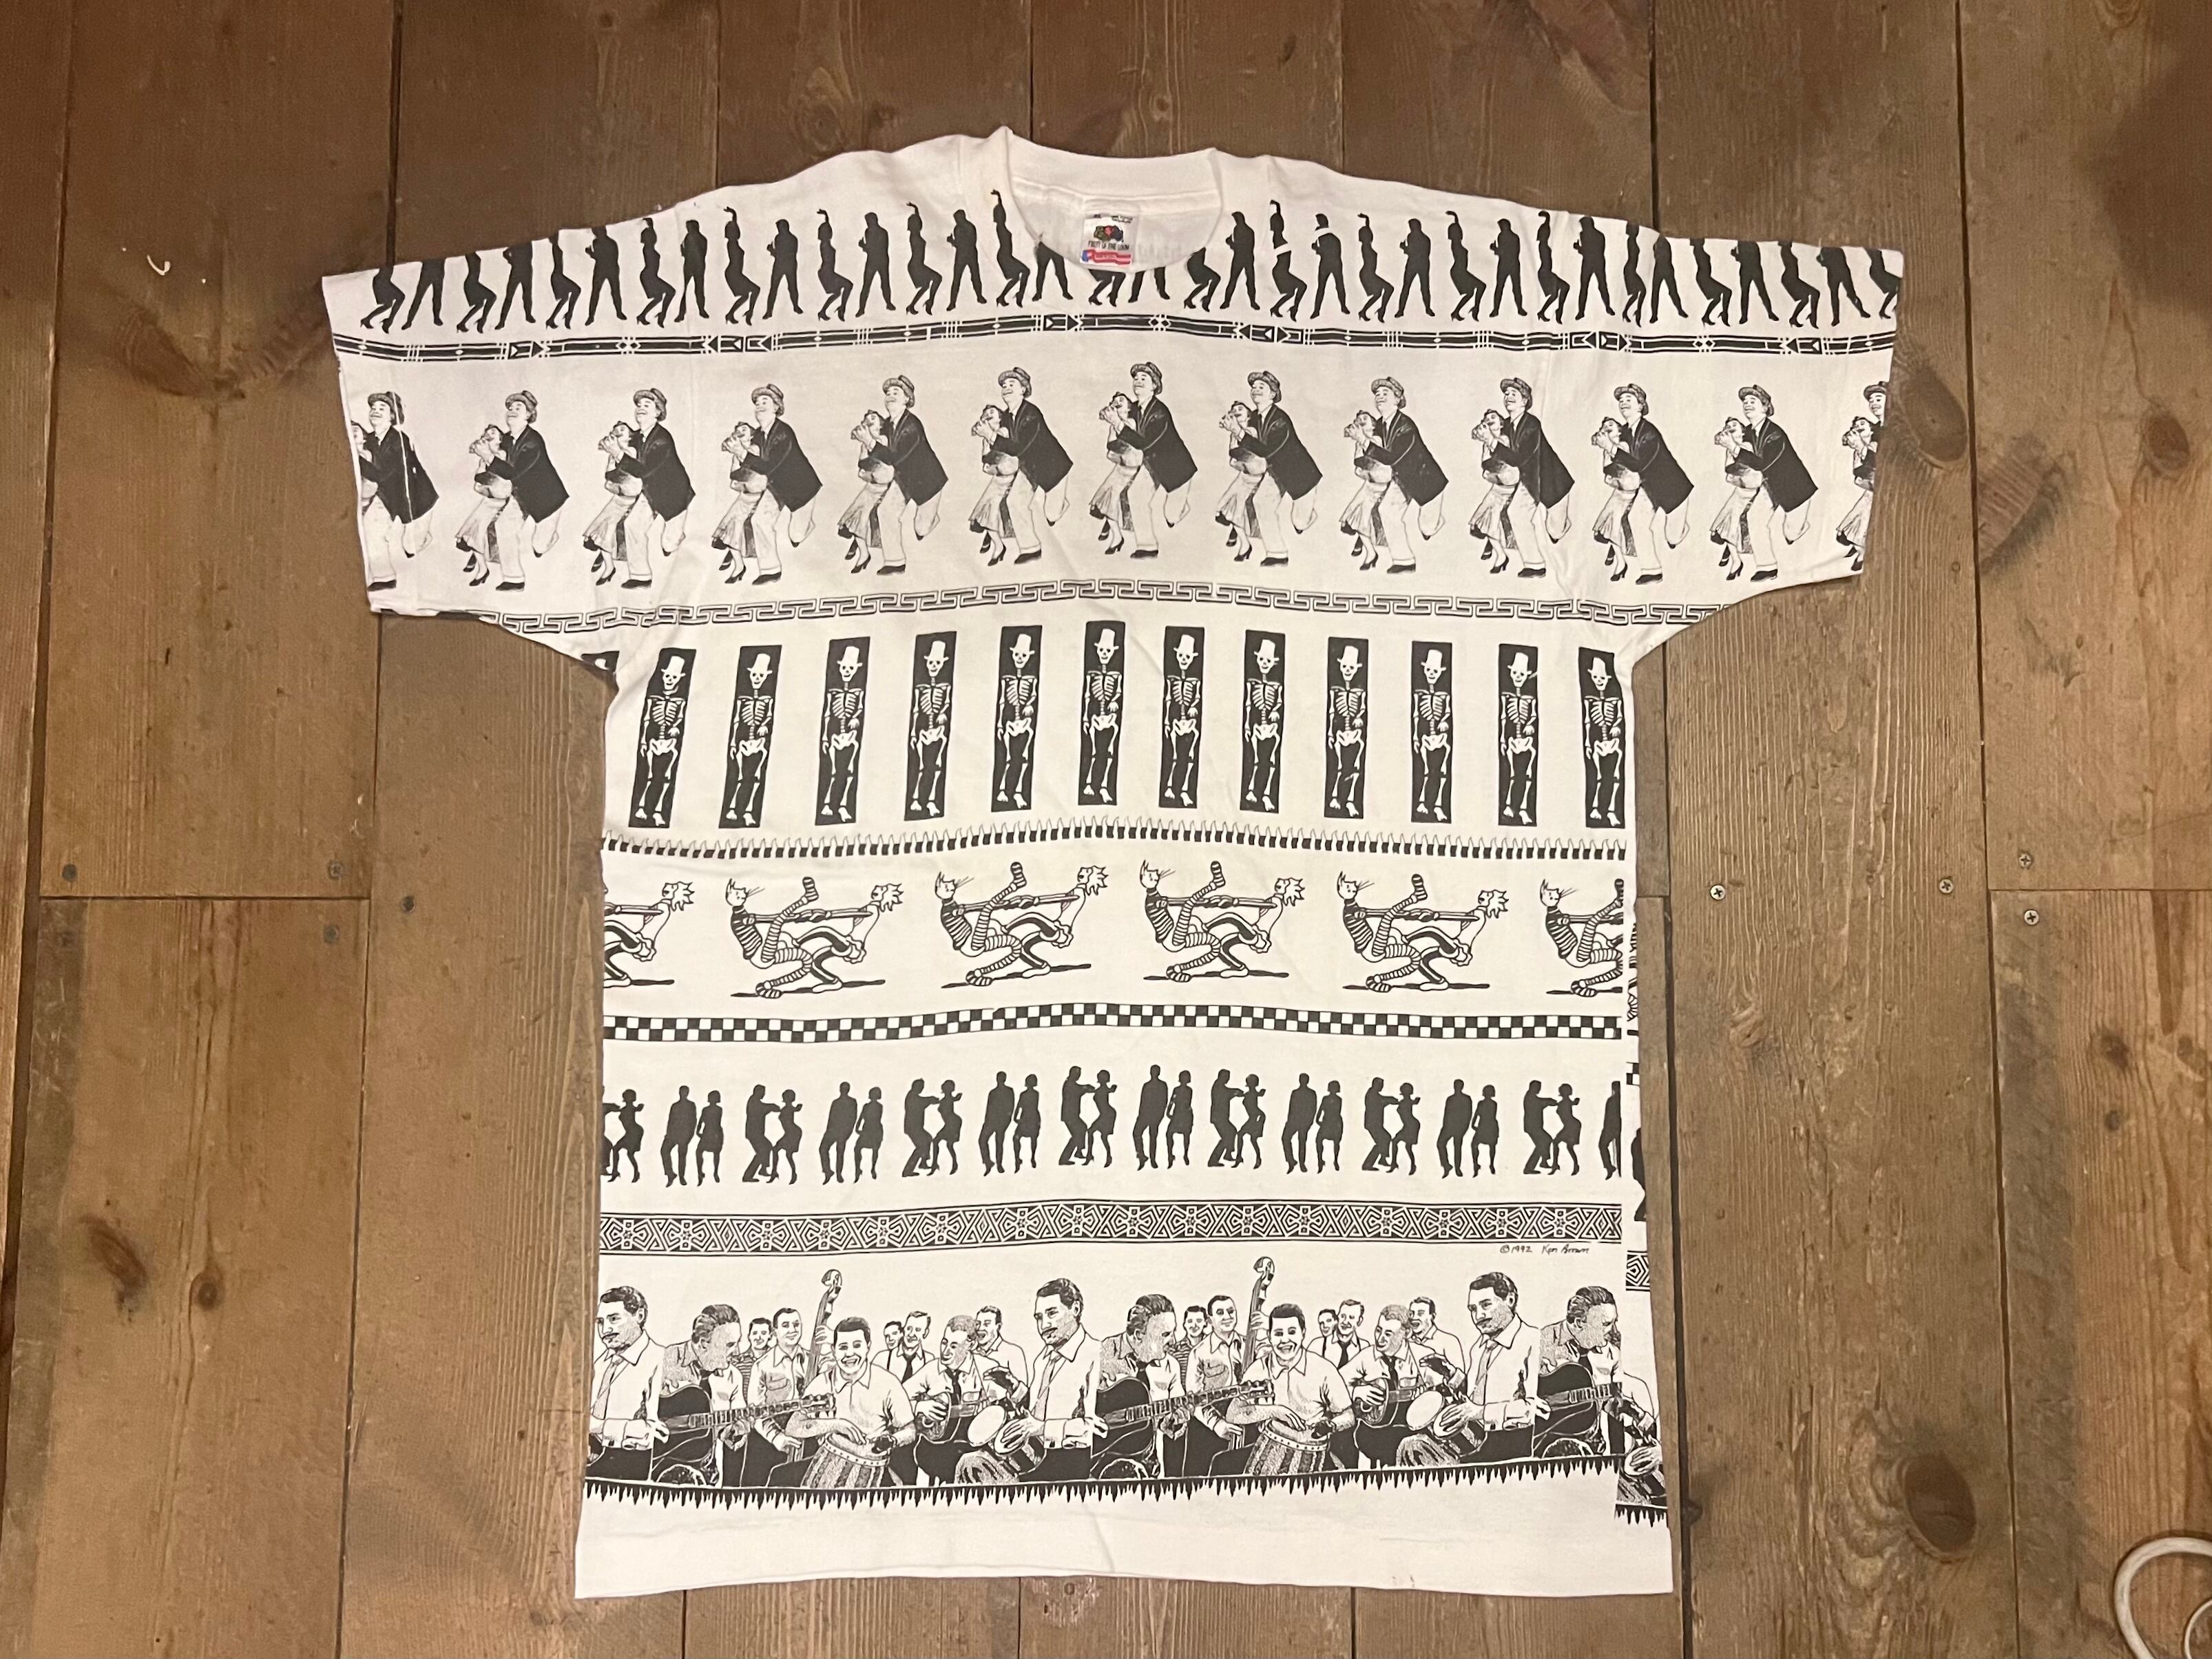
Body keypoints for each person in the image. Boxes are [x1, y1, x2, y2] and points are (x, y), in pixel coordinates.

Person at [956, 1279, 1099, 1483]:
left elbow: (1095, 1428)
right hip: (1034, 1460)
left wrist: (1041, 1428)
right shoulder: (1043, 1359)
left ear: (1075, 1309)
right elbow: (1038, 1408)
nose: (1044, 1325)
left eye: (1052, 1313)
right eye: (1039, 1318)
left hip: (1069, 1465)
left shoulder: (1095, 1355)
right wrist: (1014, 1387)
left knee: (971, 1466)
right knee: (969, 1463)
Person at [1397, 1273, 1542, 1467]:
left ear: (1510, 1300)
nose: (1478, 1316)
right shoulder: (1478, 1348)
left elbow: (1534, 1409)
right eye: (1473, 1309)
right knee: (1410, 1446)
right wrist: (1451, 1373)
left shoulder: (1533, 1340)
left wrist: (1478, 1412)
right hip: (1473, 1443)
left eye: (1486, 1305)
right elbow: (1476, 1394)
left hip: (1509, 1446)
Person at [771, 1317, 917, 1490]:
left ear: (868, 1346)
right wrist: (838, 1425)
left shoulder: (887, 1383)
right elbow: (793, 1427)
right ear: (834, 1350)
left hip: (873, 1466)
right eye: (843, 1347)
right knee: (779, 1478)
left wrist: (892, 1440)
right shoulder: (822, 1383)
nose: (849, 1354)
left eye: (857, 1346)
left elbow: (910, 1430)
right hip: (828, 1461)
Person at [1218, 1305, 1353, 1475]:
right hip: (1269, 1448)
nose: (1285, 1340)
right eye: (1278, 1334)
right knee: (1222, 1466)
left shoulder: (1323, 1369)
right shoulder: (1258, 1369)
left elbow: (1349, 1416)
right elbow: (1233, 1414)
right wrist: (1276, 1411)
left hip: (1313, 1453)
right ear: (1269, 1336)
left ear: (1303, 1333)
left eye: (1292, 1332)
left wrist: (1331, 1425)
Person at [1092, 1293, 1189, 1478]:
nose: (1173, 1342)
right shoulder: (1102, 1355)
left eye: (1173, 1332)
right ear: (1138, 1335)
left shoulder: (1171, 1366)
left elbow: (1173, 1418)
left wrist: (1174, 1423)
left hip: (1149, 1472)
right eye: (1165, 1335)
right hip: (1101, 1467)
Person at [352, 392, 437, 591]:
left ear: (392, 416)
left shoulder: (399, 440)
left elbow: (382, 475)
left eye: (382, 408)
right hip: (386, 497)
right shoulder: (369, 439)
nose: (375, 411)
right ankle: (384, 577)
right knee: (370, 529)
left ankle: (422, 536)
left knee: (410, 547)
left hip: (416, 499)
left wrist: (357, 457)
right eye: (373, 408)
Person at [589, 1287, 661, 1481]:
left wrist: (600, 1427)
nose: (605, 1330)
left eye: (614, 1319)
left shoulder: (659, 1360)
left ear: (639, 1316)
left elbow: (657, 1431)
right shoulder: (599, 1364)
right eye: (600, 1322)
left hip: (631, 1474)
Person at [820, 1083, 858, 1182]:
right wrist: (828, 1131)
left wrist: (848, 1132)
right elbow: (831, 1117)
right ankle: (828, 1171)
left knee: (840, 1153)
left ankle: (839, 1174)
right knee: (823, 1149)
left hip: (843, 1131)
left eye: (845, 1088)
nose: (843, 1090)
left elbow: (853, 1118)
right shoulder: (835, 1102)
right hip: (832, 1130)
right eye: (842, 1088)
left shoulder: (852, 1102)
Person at [660, 1085, 698, 1187]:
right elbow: (670, 1120)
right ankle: (670, 1174)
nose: (683, 1094)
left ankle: (682, 1177)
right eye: (681, 1092)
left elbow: (693, 1121)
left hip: (684, 1135)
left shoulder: (691, 1105)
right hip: (672, 1134)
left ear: (688, 1093)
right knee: (664, 1151)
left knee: (682, 1156)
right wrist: (668, 1134)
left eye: (685, 1092)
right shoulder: (675, 1106)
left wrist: (690, 1136)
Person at [1134, 1065, 1169, 1169]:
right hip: (1145, 1114)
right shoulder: (1147, 1085)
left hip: (1155, 1115)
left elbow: (1164, 1102)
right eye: (1152, 1071)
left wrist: (1160, 1116)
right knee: (1136, 1133)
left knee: (1153, 1137)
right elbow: (1142, 1101)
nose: (1154, 1073)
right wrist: (1140, 1114)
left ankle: (1153, 1159)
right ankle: (1141, 1156)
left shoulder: (1162, 1085)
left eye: (1155, 1071)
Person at [980, 1070, 1015, 1175]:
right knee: (982, 1140)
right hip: (991, 1121)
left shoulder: (1009, 1091)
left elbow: (1011, 1107)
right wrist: (986, 1121)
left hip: (1001, 1121)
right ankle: (988, 1162)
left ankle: (999, 1164)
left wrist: (1007, 1121)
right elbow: (989, 1108)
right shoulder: (993, 1092)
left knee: (999, 1143)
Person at [1056, 1065, 1092, 1166]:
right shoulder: (1069, 1085)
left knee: (1082, 1128)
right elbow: (1078, 1090)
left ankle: (1079, 1151)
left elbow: (1080, 1089)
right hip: (1069, 1116)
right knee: (1076, 1135)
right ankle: (1064, 1159)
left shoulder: (1071, 1084)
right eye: (1077, 1074)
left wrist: (1086, 1088)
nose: (1078, 1076)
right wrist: (1086, 1088)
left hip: (1073, 1115)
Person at [901, 1078, 938, 1177]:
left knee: (928, 1139)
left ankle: (923, 1162)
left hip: (916, 1127)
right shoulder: (912, 1097)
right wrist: (931, 1100)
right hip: (913, 1128)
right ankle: (908, 1170)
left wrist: (931, 1100)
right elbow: (921, 1102)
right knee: (921, 1147)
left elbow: (923, 1101)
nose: (921, 1089)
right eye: (920, 1087)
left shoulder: (913, 1096)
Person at [1281, 1072, 1317, 1171]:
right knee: (1285, 1138)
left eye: (1304, 1079)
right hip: (1293, 1121)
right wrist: (1289, 1120)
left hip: (1304, 1122)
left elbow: (1313, 1108)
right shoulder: (1295, 1093)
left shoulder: (1311, 1093)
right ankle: (1291, 1161)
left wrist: (1310, 1122)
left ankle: (1302, 1163)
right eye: (1301, 1079)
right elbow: (1291, 1107)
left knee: (1302, 1142)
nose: (1302, 1081)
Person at [1207, 1069, 1241, 1167]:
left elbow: (1228, 1092)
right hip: (1218, 1117)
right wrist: (1235, 1092)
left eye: (1228, 1077)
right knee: (1226, 1137)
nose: (1227, 1079)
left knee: (1232, 1132)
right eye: (1226, 1077)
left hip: (1222, 1117)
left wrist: (1235, 1092)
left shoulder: (1220, 1086)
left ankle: (1228, 1154)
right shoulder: (1218, 1086)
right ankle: (1213, 1160)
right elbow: (1226, 1093)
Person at [1439, 1079, 1472, 1176]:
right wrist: (1444, 1127)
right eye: (1456, 1086)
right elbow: (1446, 1113)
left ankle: (1458, 1168)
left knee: (1457, 1147)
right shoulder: (1450, 1099)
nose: (1457, 1087)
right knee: (1440, 1143)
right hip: (1448, 1127)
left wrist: (1465, 1128)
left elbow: (1468, 1114)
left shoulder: (1467, 1099)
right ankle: (1446, 1165)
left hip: (1459, 1127)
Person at [1521, 1078, 1554, 1174]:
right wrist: (1549, 1101)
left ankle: (1544, 1162)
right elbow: (1539, 1103)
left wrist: (1548, 1102)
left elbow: (1540, 1102)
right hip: (1532, 1127)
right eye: (1538, 1088)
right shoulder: (1530, 1097)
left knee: (1547, 1140)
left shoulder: (1532, 1096)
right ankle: (1529, 1168)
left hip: (1535, 1126)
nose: (1539, 1090)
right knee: (1541, 1145)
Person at [611, 1089, 644, 1182]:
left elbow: (636, 1109)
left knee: (628, 1153)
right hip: (631, 1132)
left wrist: (639, 1108)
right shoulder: (626, 1109)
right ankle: (616, 1171)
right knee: (620, 1150)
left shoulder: (630, 1108)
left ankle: (635, 1172)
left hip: (635, 1132)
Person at [1087, 1070, 1118, 1167]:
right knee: (1095, 1134)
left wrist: (1113, 1088)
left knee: (1100, 1135)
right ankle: (1091, 1155)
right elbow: (1111, 1090)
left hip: (1108, 1114)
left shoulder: (1103, 1089)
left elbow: (1110, 1090)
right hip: (1105, 1114)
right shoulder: (1101, 1089)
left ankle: (1106, 1156)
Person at [853, 1086, 884, 1180]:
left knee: (875, 1150)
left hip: (875, 1131)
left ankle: (873, 1168)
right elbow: (861, 1117)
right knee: (857, 1148)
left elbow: (875, 1119)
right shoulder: (866, 1106)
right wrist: (857, 1128)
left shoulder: (879, 1107)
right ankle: (858, 1169)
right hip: (867, 1130)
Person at [1166, 1070, 1194, 1168]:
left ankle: (1185, 1154)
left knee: (1186, 1135)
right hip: (1177, 1114)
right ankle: (1170, 1155)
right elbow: (1172, 1101)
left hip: (1185, 1115)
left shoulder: (1189, 1090)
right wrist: (1168, 1112)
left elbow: (1186, 1102)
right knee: (1169, 1134)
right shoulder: (1176, 1090)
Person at [1553, 1083, 1584, 1176]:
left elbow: (1572, 1103)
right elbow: (1573, 1103)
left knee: (1560, 1144)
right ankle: (1557, 1164)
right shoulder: (1565, 1102)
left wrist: (1575, 1102)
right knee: (1565, 1146)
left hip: (1572, 1126)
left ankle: (1557, 1165)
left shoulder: (1565, 1102)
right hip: (1570, 1126)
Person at [1013, 1073, 1041, 1171]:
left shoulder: (1031, 1094)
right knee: (1019, 1138)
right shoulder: (1034, 1094)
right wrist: (1015, 1117)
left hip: (1029, 1119)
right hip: (1029, 1119)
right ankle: (1020, 1159)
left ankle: (1030, 1157)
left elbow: (1019, 1106)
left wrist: (1015, 1117)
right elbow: (1019, 1106)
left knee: (1027, 1138)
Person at [1315, 1080, 1344, 1171]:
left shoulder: (1339, 1100)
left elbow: (1336, 1112)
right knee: (1318, 1140)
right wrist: (1317, 1119)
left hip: (1335, 1123)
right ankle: (1320, 1160)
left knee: (1336, 1142)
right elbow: (1321, 1109)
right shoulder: (1325, 1099)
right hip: (1326, 1123)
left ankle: (1336, 1160)